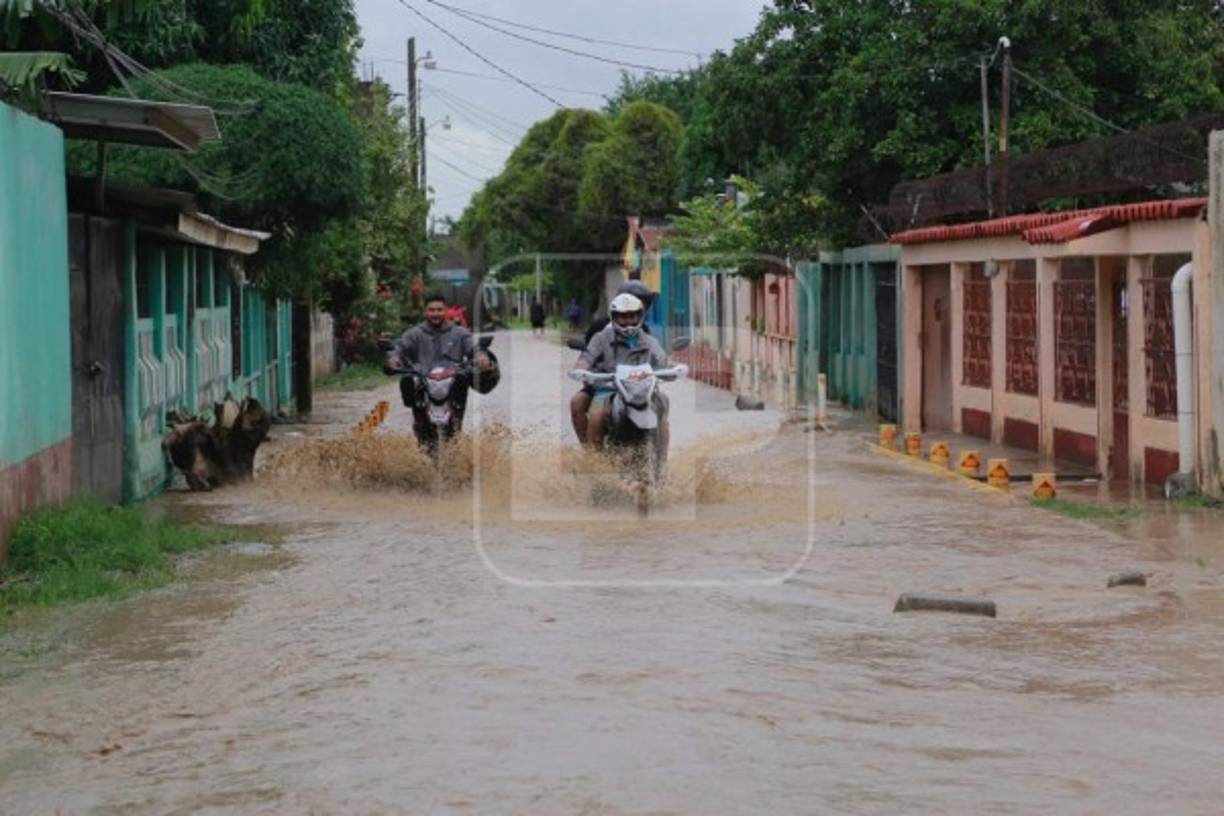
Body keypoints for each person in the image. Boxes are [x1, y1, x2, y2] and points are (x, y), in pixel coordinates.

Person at [571, 293, 670, 458]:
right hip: (608, 390)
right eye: (623, 317)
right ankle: (593, 459)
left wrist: (671, 369)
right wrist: (582, 369)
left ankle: (662, 460)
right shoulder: (601, 338)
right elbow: (586, 359)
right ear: (614, 317)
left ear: (640, 316)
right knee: (596, 416)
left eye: (633, 316)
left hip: (643, 391)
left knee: (664, 403)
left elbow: (662, 361)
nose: (629, 321)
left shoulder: (650, 341)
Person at [386, 292, 497, 433]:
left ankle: (456, 427)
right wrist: (394, 358)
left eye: (439, 310)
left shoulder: (460, 333)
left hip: (453, 380)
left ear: (446, 310)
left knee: (463, 378)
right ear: (425, 311)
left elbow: (473, 348)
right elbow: (399, 348)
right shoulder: (414, 334)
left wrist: (481, 356)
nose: (435, 313)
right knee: (407, 380)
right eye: (431, 310)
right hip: (423, 380)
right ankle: (419, 422)